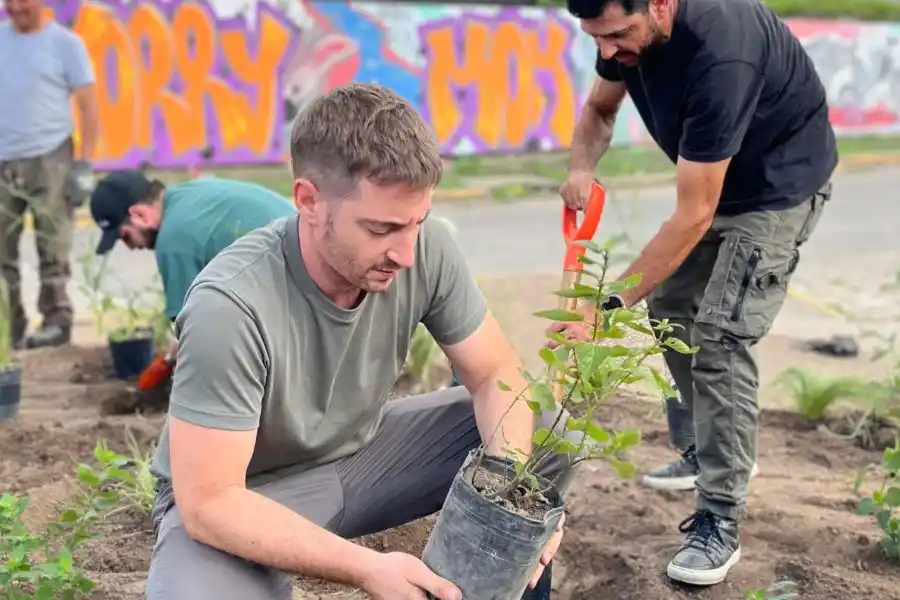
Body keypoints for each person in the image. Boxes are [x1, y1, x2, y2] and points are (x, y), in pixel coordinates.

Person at [144, 82, 577, 600]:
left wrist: (510, 498)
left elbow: (495, 373)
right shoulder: (232, 304)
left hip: (362, 457)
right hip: (244, 493)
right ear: (309, 201)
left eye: (415, 223)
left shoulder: (426, 248)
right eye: (381, 228)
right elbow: (210, 502)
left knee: (542, 427)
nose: (406, 253)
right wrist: (367, 568)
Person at [555, 0, 836, 588]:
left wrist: (603, 308)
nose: (606, 51)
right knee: (669, 306)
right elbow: (599, 108)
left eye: (617, 35)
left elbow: (692, 214)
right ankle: (701, 445)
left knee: (721, 340)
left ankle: (720, 519)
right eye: (595, 38)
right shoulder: (624, 36)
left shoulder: (722, 56)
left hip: (775, 190)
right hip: (716, 182)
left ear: (660, 4)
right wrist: (582, 165)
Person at [0, 0, 99, 349]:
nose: (13, 8)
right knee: (1, 254)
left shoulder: (64, 44)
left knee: (53, 245)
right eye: (8, 1)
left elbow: (88, 105)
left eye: (21, 1)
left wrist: (84, 164)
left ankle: (56, 322)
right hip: (3, 159)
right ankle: (7, 327)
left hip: (51, 157)